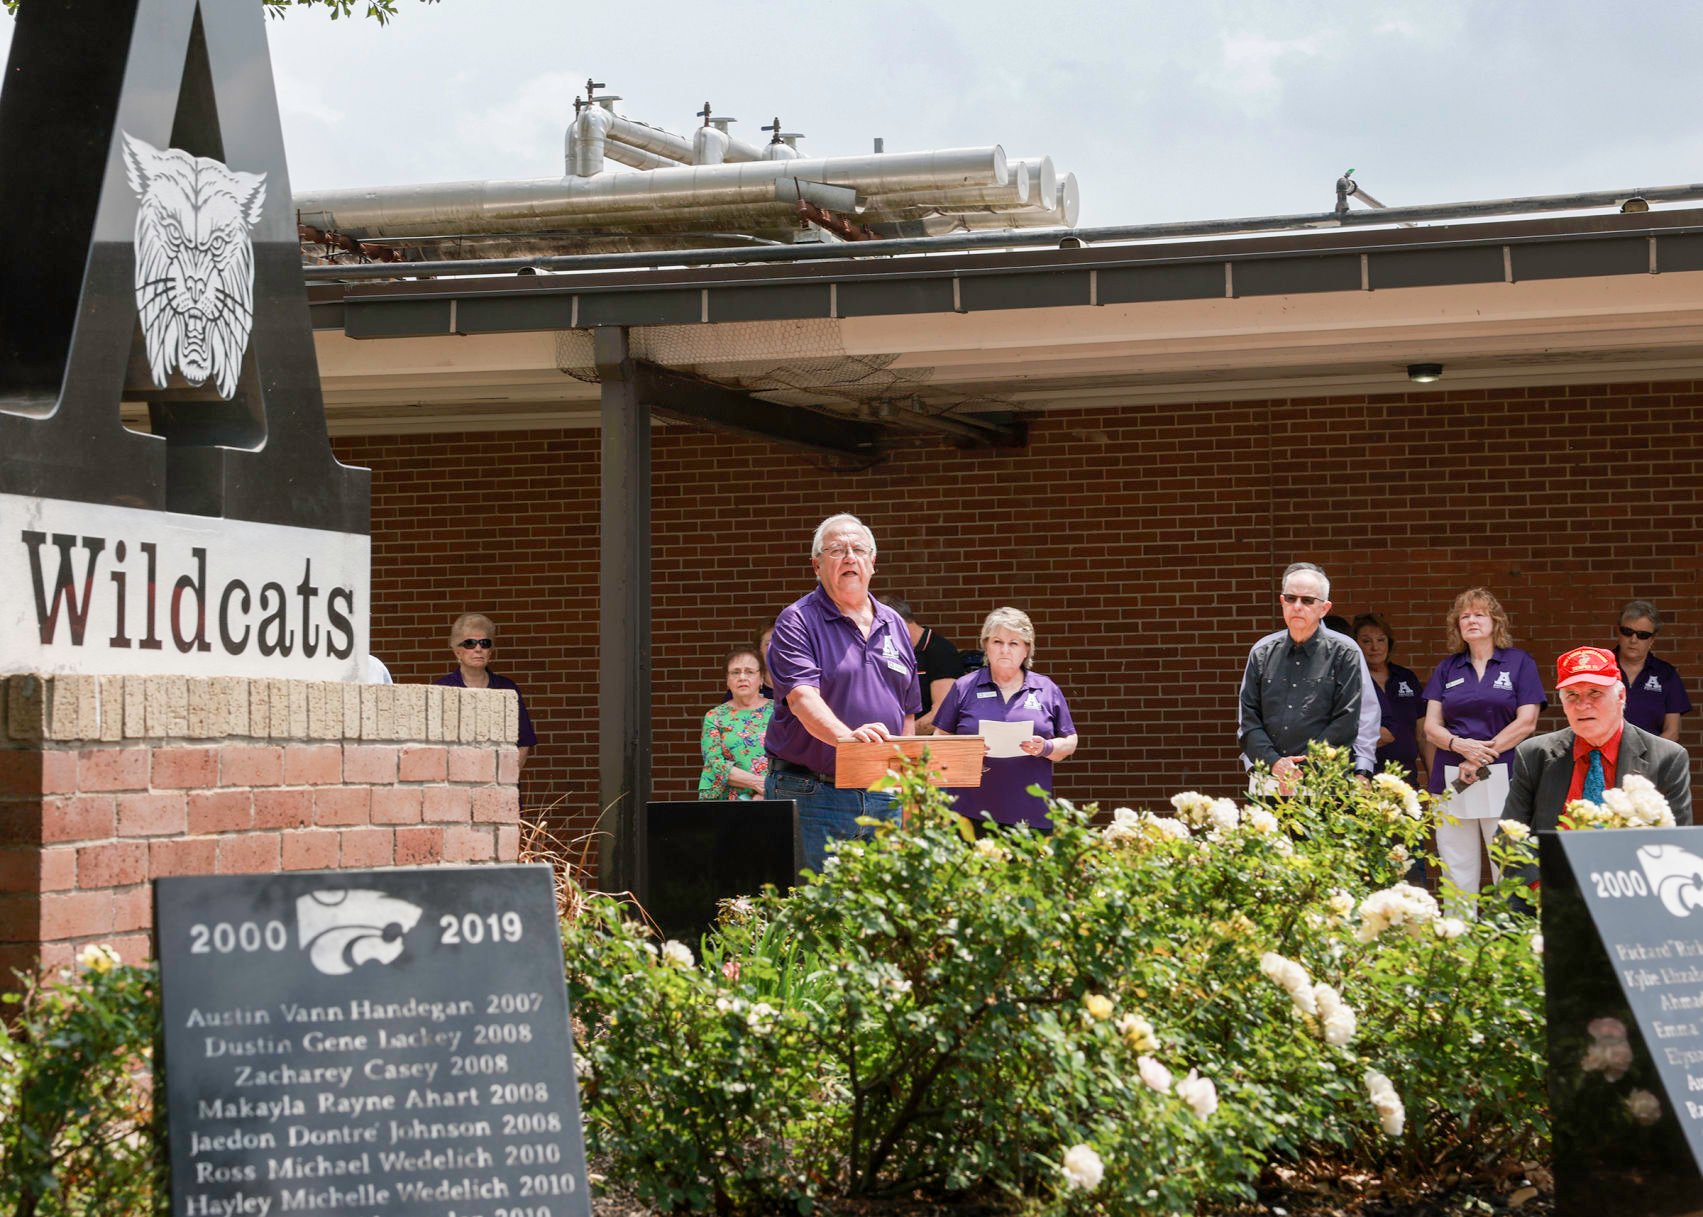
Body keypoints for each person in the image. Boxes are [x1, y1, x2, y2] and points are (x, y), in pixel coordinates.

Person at [764, 513, 921, 871]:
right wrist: (848, 740)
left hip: (884, 795)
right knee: (812, 914)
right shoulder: (797, 620)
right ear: (816, 565)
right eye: (836, 550)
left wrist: (906, 785)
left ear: (873, 562)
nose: (849, 556)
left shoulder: (893, 623)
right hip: (812, 794)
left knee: (881, 918)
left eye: (858, 549)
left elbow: (907, 710)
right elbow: (802, 700)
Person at [1421, 589, 1544, 905]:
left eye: (1479, 614)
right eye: (1464, 616)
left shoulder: (1519, 663)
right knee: (1455, 869)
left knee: (1507, 864)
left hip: (1503, 776)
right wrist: (1460, 745)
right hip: (1451, 778)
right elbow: (1431, 726)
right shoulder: (1447, 668)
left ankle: (1510, 941)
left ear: (1495, 621)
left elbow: (1527, 721)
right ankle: (1460, 945)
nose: (1471, 620)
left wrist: (1479, 757)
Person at [1502, 646, 1692, 832]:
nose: (1582, 705)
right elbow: (1507, 840)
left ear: (1621, 695)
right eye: (1572, 694)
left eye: (1595, 692)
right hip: (1553, 863)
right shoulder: (1533, 755)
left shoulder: (1668, 758)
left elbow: (1679, 846)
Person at [932, 607, 1078, 832]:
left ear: (1026, 649)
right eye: (997, 642)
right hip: (969, 814)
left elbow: (1069, 741)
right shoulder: (964, 687)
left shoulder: (1045, 689)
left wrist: (1046, 747)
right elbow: (938, 742)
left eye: (1014, 643)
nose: (1005, 650)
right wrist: (966, 753)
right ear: (986, 645)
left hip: (1030, 814)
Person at [1238, 562, 1368, 794]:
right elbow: (1248, 721)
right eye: (1290, 598)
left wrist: (1302, 767)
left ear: (1325, 608)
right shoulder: (1261, 654)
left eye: (1307, 600)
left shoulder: (1344, 654)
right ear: (1282, 602)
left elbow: (1345, 723)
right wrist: (1276, 764)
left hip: (1323, 783)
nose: (1297, 606)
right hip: (1269, 780)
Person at [435, 611, 538, 769]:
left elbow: (524, 742)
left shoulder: (507, 688)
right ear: (457, 651)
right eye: (470, 643)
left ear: (490, 651)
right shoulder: (441, 689)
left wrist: (506, 778)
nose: (478, 649)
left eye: (484, 643)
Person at [1352, 612, 1431, 783]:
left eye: (1381, 640)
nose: (1375, 647)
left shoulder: (1406, 677)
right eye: (1366, 641)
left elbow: (1423, 735)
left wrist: (1434, 778)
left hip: (1405, 777)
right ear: (1355, 644)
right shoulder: (1352, 679)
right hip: (1364, 778)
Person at [698, 646, 773, 801]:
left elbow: (790, 758)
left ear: (761, 679)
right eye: (735, 672)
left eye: (750, 672)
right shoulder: (715, 716)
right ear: (727, 680)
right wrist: (758, 783)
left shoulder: (778, 712)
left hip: (771, 797)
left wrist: (766, 791)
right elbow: (714, 763)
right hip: (726, 801)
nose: (742, 677)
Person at [1613, 599, 1692, 741]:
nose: (1633, 640)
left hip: (1651, 759)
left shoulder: (1666, 675)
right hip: (1602, 759)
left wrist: (1647, 759)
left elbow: (1672, 732)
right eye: (1627, 632)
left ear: (1652, 640)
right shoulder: (1599, 668)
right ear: (1618, 631)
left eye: (1643, 635)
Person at [885, 595, 966, 734]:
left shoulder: (941, 651)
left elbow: (942, 714)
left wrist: (900, 737)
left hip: (927, 746)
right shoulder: (891, 651)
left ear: (897, 623)